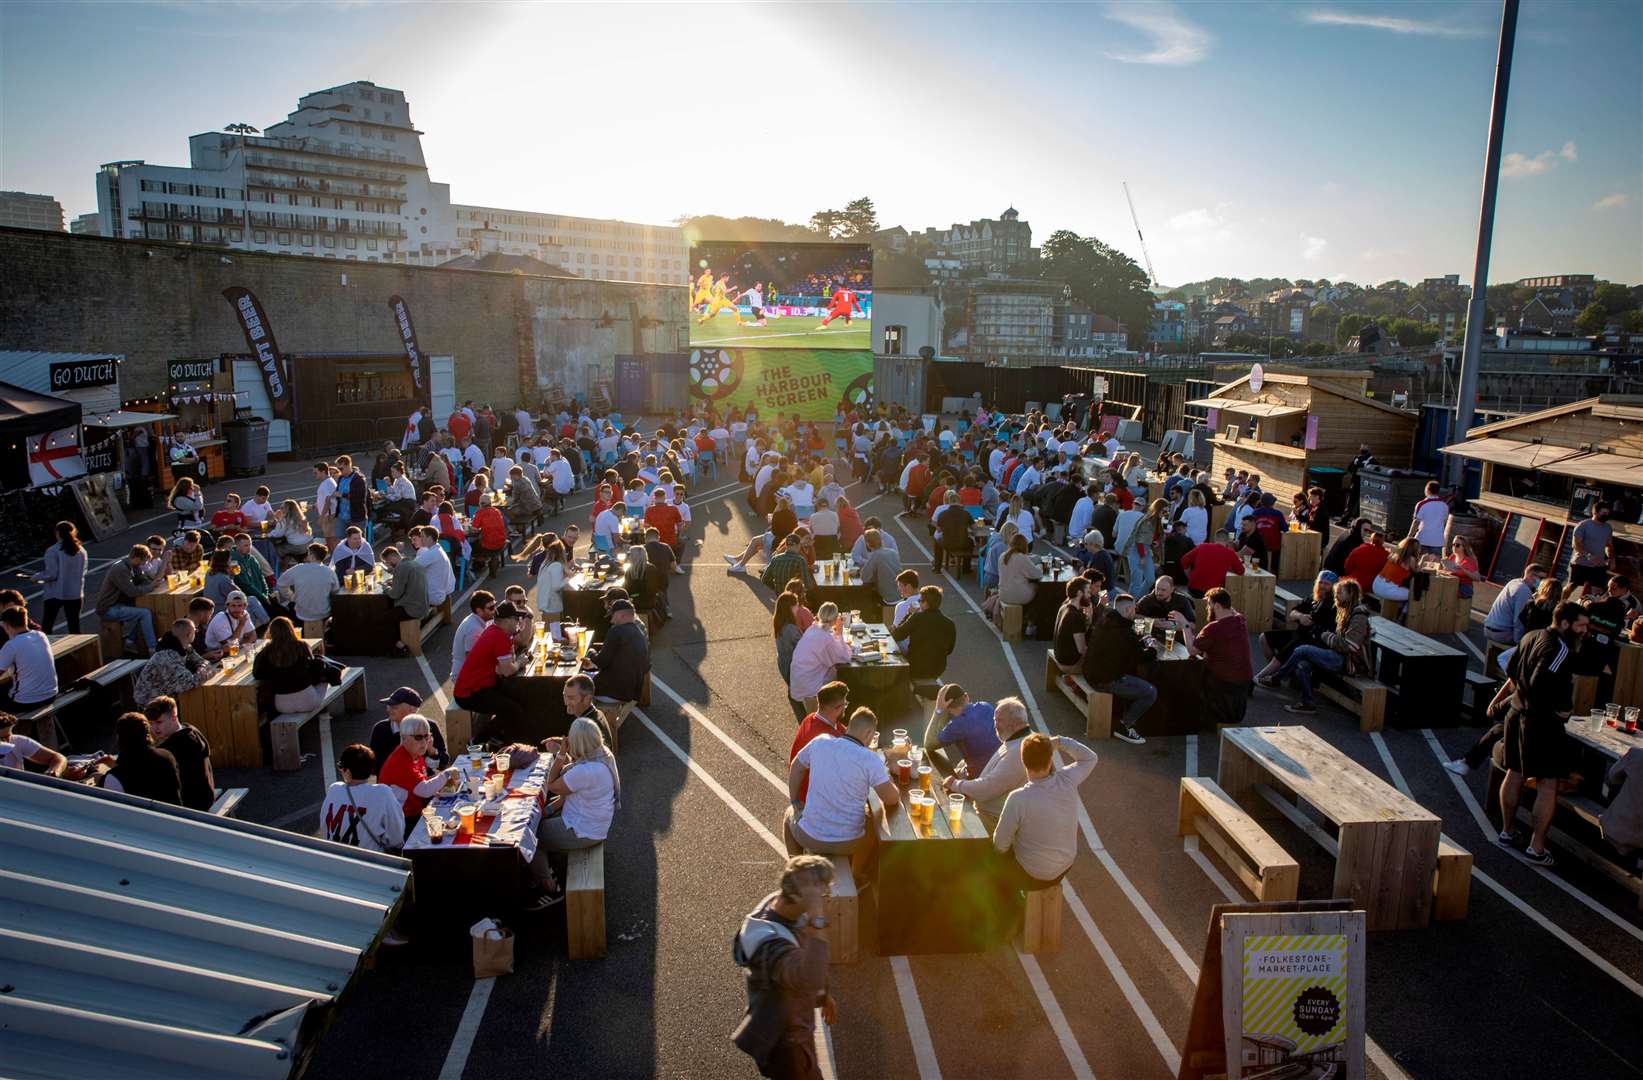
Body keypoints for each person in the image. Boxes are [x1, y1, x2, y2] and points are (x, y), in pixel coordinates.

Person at [1497, 601, 1589, 867]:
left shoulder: (1530, 635)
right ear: (1565, 623)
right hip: (1540, 723)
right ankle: (1536, 848)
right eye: (1581, 625)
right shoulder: (1559, 649)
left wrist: (1520, 699)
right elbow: (1541, 684)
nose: (1584, 631)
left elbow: (1512, 670)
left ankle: (1507, 831)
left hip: (1516, 714)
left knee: (1514, 772)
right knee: (1548, 784)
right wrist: (1562, 708)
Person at [731, 855, 835, 1080]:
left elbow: (804, 946)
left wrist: (824, 994)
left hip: (796, 1028)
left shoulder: (783, 905)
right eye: (823, 895)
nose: (825, 901)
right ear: (800, 897)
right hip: (786, 1043)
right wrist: (817, 917)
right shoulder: (768, 944)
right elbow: (807, 978)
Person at [784, 706, 899, 877]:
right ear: (869, 734)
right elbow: (891, 799)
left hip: (811, 836)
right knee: (872, 821)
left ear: (850, 726)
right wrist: (888, 777)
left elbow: (796, 767)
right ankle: (856, 876)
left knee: (788, 815)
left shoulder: (820, 741)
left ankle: (795, 870)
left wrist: (795, 803)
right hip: (850, 842)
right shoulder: (871, 760)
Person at [524, 716, 622, 910]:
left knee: (528, 836)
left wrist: (560, 755)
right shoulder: (602, 755)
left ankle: (550, 888)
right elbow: (574, 788)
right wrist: (549, 809)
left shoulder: (585, 771)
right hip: (591, 821)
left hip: (584, 830)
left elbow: (552, 785)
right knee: (538, 818)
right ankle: (541, 869)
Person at [993, 732, 1097, 908]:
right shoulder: (1067, 780)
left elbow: (1000, 844)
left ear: (1023, 761)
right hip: (1064, 866)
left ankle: (1013, 912)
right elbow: (1090, 758)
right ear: (1050, 761)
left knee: (993, 861)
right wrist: (1059, 741)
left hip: (1030, 873)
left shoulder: (1018, 798)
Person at [1259, 578, 1373, 715]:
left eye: (1339, 593)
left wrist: (1323, 635)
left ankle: (1277, 677)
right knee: (1303, 663)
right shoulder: (1344, 611)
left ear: (1350, 594)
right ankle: (1308, 703)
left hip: (1349, 662)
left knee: (1302, 649)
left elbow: (1350, 646)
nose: (1336, 596)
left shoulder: (1358, 616)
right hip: (1337, 653)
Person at [1080, 595, 1156, 745]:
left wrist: (1139, 642)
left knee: (1131, 676)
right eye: (1134, 609)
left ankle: (1121, 714)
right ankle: (1125, 725)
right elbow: (1142, 657)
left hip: (1090, 672)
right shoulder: (1124, 631)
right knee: (1150, 692)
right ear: (1128, 609)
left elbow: (1126, 648)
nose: (1135, 612)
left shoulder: (1105, 619)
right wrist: (1152, 648)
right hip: (1104, 680)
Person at [942, 697, 1033, 819]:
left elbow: (987, 789)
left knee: (943, 817)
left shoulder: (1020, 752)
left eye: (1000, 720)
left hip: (994, 818)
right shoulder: (1016, 739)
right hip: (992, 811)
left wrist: (956, 784)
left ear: (1017, 724)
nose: (994, 725)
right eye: (994, 720)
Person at [452, 600, 531, 736]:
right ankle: (479, 742)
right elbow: (506, 671)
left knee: (517, 698)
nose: (518, 621)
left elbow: (501, 668)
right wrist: (520, 662)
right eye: (516, 618)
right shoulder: (500, 637)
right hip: (469, 693)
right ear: (506, 620)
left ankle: (503, 737)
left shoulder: (493, 630)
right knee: (513, 711)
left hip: (474, 687)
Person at [1183, 587, 1253, 726]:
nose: (1207, 608)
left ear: (1217, 606)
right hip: (1244, 680)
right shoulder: (1240, 620)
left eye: (1209, 604)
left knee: (1192, 668)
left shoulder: (1213, 628)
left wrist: (1184, 624)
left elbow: (1192, 650)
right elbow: (1232, 611)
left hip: (1224, 682)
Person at [377, 713, 462, 828]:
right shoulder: (400, 762)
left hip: (413, 811)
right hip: (401, 821)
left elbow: (423, 780)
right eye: (418, 737)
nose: (423, 742)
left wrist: (443, 781)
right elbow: (425, 790)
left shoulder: (414, 753)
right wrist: (447, 773)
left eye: (426, 736)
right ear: (404, 737)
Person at [321, 743, 406, 854]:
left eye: (340, 766)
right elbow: (396, 837)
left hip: (334, 858)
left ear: (347, 771)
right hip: (369, 863)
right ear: (371, 770)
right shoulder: (382, 793)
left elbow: (324, 826)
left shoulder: (334, 789)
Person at [1257, 571, 1337, 681]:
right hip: (1300, 634)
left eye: (1326, 584)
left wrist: (1300, 617)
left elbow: (1310, 621)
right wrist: (1300, 616)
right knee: (1264, 638)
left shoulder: (1331, 604)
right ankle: (1276, 674)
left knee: (1284, 653)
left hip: (1314, 640)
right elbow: (1292, 613)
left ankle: (1260, 677)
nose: (1322, 586)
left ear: (1333, 587)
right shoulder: (1314, 598)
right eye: (1320, 582)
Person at [144, 695, 214, 812]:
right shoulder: (191, 730)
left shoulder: (174, 747)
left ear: (173, 717)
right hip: (206, 795)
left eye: (159, 722)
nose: (154, 728)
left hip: (193, 805)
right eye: (151, 723)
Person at [253, 616, 333, 716]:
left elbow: (257, 673)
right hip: (308, 702)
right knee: (324, 680)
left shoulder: (266, 651)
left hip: (282, 705)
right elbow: (313, 668)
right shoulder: (302, 645)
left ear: (271, 632)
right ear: (291, 629)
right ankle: (325, 716)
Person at [99, 711, 182, 804]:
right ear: (147, 733)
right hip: (175, 816)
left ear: (120, 738)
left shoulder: (114, 778)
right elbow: (144, 771)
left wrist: (101, 781)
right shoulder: (167, 756)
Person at [921, 683, 1000, 779]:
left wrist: (938, 710)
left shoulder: (958, 725)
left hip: (981, 776)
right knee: (960, 765)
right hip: (999, 765)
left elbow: (929, 744)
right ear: (966, 697)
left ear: (948, 708)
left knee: (945, 781)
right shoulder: (986, 706)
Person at [368, 686, 450, 771]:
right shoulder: (380, 729)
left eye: (394, 707)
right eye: (389, 706)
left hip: (422, 781)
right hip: (389, 783)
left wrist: (431, 751)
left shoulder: (429, 726)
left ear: (412, 710)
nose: (388, 709)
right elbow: (373, 766)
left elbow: (443, 763)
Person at [586, 599, 651, 705]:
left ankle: (585, 718)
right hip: (630, 692)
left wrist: (591, 652)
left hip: (611, 693)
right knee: (589, 674)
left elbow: (602, 661)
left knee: (574, 681)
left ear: (621, 615)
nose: (611, 621)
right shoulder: (639, 632)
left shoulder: (616, 631)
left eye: (613, 616)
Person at [96, 544, 157, 654]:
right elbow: (131, 592)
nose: (144, 565)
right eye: (143, 562)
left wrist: (150, 584)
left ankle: (129, 641)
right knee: (145, 613)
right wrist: (150, 587)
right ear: (137, 558)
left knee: (146, 610)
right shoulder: (120, 569)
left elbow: (142, 580)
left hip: (120, 604)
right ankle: (152, 648)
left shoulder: (134, 567)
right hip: (108, 608)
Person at [132, 619, 210, 704]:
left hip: (168, 694)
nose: (196, 632)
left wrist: (201, 667)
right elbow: (187, 684)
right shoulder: (167, 656)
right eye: (195, 630)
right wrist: (204, 673)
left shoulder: (185, 647)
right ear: (189, 634)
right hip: (150, 703)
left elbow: (202, 661)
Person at [891, 585, 956, 681]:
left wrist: (909, 614)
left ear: (926, 603)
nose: (919, 603)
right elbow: (949, 649)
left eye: (920, 601)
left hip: (916, 666)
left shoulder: (917, 617)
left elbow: (897, 635)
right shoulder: (949, 623)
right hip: (937, 667)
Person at [0, 607, 57, 715]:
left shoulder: (12, 645)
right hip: (51, 694)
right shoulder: (41, 635)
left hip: (26, 701)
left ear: (7, 625)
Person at [36, 520, 87, 633]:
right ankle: (77, 649)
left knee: (47, 626)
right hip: (75, 593)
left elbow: (51, 574)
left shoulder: (52, 551)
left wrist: (36, 577)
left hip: (55, 594)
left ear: (57, 533)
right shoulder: (81, 550)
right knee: (74, 627)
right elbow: (83, 571)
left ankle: (47, 649)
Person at [1483, 563, 1548, 646]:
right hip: (1500, 633)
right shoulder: (1524, 591)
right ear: (1531, 576)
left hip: (1489, 628)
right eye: (1541, 578)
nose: (1542, 581)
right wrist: (1519, 643)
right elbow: (1518, 620)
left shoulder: (1514, 582)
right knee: (1530, 644)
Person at [278, 542, 341, 626]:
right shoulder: (329, 572)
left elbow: (281, 583)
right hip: (323, 614)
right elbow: (335, 591)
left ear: (311, 555)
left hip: (302, 614)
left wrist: (291, 597)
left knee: (290, 606)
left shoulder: (298, 568)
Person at [983, 533, 1042, 620]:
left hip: (1003, 594)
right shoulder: (1022, 557)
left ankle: (1025, 618)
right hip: (1019, 595)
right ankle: (1031, 619)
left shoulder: (1003, 556)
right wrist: (1039, 566)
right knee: (1038, 588)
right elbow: (1037, 574)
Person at [1180, 530, 1244, 597]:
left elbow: (1184, 560)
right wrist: (1228, 567)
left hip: (1193, 589)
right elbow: (1241, 571)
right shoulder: (1230, 553)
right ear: (1228, 540)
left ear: (1214, 538)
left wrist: (1189, 575)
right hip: (1213, 592)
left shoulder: (1202, 546)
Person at [450, 590, 496, 683]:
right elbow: (472, 659)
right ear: (479, 610)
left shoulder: (478, 620)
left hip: (466, 671)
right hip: (463, 677)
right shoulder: (474, 629)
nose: (494, 610)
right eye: (491, 608)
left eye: (495, 605)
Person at [1051, 578, 1093, 671]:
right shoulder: (1075, 616)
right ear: (1079, 593)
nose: (1090, 596)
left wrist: (1088, 619)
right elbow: (1082, 650)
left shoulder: (1064, 606)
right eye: (1088, 592)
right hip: (1070, 663)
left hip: (1060, 656)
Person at [1571, 500, 1614, 589]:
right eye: (1604, 513)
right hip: (1581, 563)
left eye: (1608, 513)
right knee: (1571, 586)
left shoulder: (1608, 528)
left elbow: (1609, 545)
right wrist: (1589, 556)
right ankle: (1561, 602)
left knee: (1598, 590)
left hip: (1599, 565)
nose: (1607, 515)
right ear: (1596, 512)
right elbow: (1575, 545)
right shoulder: (1583, 525)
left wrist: (1611, 558)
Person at [1371, 537, 1421, 609]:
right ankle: (1403, 615)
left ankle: (1399, 611)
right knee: (1417, 594)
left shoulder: (1394, 555)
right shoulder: (1411, 559)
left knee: (1407, 590)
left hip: (1376, 584)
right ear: (1415, 549)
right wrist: (1423, 559)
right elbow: (1418, 572)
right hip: (1386, 589)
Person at [855, 529, 902, 606]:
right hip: (901, 594)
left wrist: (859, 571)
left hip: (888, 598)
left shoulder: (875, 555)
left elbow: (865, 578)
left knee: (864, 597)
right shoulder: (893, 552)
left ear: (868, 544)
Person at [1343, 529, 1390, 594]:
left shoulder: (1360, 549)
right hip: (1372, 585)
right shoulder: (1386, 555)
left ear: (1371, 538)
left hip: (1354, 581)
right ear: (1383, 541)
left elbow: (1347, 566)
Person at [1411, 481, 1449, 556]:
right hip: (1437, 541)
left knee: (1419, 563)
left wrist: (1409, 536)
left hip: (1422, 540)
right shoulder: (1445, 506)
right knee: (1434, 565)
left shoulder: (1421, 504)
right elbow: (1444, 522)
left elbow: (1416, 522)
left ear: (1427, 490)